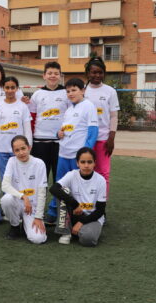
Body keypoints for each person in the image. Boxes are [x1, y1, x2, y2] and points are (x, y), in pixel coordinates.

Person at [45, 78, 99, 224]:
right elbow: (64, 130)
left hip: (77, 156)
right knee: (59, 185)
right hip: (63, 153)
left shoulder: (88, 106)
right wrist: (58, 134)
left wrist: (85, 153)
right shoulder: (69, 109)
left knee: (78, 187)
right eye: (68, 91)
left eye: (74, 90)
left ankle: (80, 214)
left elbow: (93, 131)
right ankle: (53, 212)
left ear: (83, 91)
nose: (70, 93)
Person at [49, 147, 107, 246]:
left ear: (95, 163)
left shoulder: (101, 180)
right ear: (77, 163)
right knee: (62, 191)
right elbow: (53, 189)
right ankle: (66, 231)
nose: (86, 165)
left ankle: (78, 230)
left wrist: (81, 222)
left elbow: (100, 211)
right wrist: (75, 204)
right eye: (83, 162)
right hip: (75, 213)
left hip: (92, 217)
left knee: (88, 239)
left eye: (90, 162)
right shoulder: (72, 175)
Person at [1, 136, 47, 244]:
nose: (21, 153)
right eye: (17, 150)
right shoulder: (11, 162)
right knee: (6, 199)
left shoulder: (39, 163)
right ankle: (15, 226)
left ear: (29, 147)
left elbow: (42, 192)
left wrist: (38, 217)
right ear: (13, 152)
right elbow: (5, 185)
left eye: (23, 148)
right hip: (17, 202)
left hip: (32, 207)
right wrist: (23, 196)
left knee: (38, 239)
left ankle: (27, 225)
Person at [84, 57, 120, 196]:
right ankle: (85, 203)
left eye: (100, 72)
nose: (97, 75)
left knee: (103, 173)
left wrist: (111, 138)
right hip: (85, 139)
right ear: (88, 73)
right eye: (93, 72)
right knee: (85, 172)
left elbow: (113, 116)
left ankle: (100, 206)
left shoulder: (110, 91)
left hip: (103, 139)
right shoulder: (82, 91)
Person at [29, 62, 70, 184]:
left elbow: (71, 116)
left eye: (56, 73)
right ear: (44, 76)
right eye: (50, 73)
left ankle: (58, 203)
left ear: (60, 76)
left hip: (61, 142)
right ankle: (39, 203)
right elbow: (32, 117)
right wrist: (30, 138)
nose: (53, 76)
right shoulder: (37, 94)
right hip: (40, 141)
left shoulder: (67, 93)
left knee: (61, 177)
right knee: (41, 178)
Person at [0, 76, 32, 179]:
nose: (10, 90)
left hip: (19, 149)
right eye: (7, 87)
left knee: (20, 178)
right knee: (5, 179)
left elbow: (27, 129)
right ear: (3, 88)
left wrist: (28, 147)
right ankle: (7, 196)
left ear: (17, 88)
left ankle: (20, 196)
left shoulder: (22, 106)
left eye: (12, 87)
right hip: (1, 150)